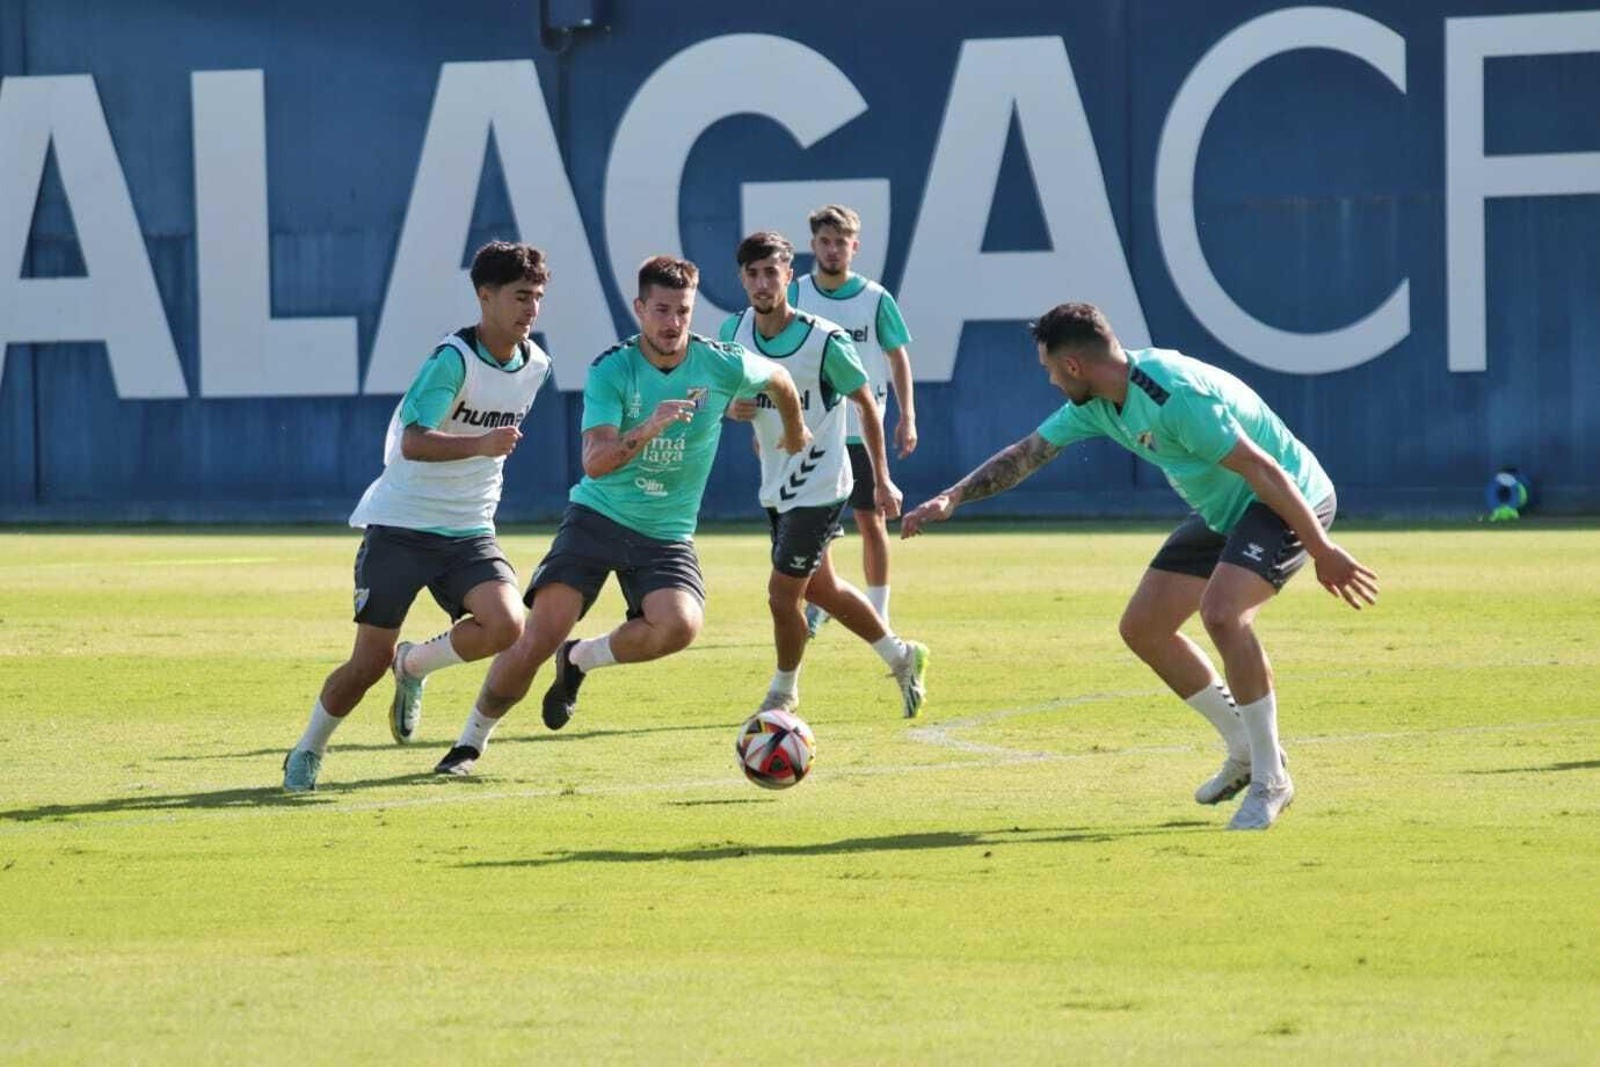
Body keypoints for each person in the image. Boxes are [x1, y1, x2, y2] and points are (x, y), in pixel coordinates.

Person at [901, 303, 1378, 830]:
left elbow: (1262, 469)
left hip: (1287, 497)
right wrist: (953, 497)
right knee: (1144, 627)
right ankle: (1244, 748)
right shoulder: (1098, 404)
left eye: (1050, 369)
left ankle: (1271, 778)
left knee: (1223, 614)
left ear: (1075, 365)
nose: (1051, 381)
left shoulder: (1174, 396)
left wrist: (1322, 549)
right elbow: (1028, 453)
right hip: (1226, 509)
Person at [418, 255, 810, 776]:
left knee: (680, 626)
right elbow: (595, 463)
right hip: (598, 519)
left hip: (666, 533)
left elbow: (779, 378)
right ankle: (469, 744)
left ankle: (580, 658)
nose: (673, 322)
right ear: (639, 309)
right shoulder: (612, 370)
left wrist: (794, 430)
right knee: (538, 636)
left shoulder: (722, 364)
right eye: (662, 310)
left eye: (683, 311)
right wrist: (646, 429)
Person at [282, 241, 553, 792]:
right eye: (521, 296)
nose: (531, 309)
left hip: (469, 528)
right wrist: (480, 445)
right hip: (402, 525)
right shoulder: (452, 360)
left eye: (537, 297)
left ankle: (413, 666)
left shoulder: (537, 366)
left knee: (507, 624)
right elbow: (414, 442)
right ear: (485, 296)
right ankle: (308, 748)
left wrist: (483, 452)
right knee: (365, 665)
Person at [722, 231, 929, 718]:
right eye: (753, 274)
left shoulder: (824, 340)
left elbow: (866, 405)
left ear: (788, 277)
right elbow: (726, 394)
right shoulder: (734, 332)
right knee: (821, 589)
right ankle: (901, 656)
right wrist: (735, 407)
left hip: (821, 482)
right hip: (776, 482)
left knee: (781, 596)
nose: (762, 283)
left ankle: (783, 693)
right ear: (742, 279)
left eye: (771, 272)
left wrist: (882, 478)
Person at [790, 205, 917, 637]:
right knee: (813, 527)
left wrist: (907, 415)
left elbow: (897, 357)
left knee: (871, 520)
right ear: (813, 245)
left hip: (863, 431)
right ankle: (823, 601)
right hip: (813, 431)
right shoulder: (796, 295)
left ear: (855, 247)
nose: (833, 249)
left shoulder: (875, 298)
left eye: (841, 242)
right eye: (825, 241)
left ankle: (878, 613)